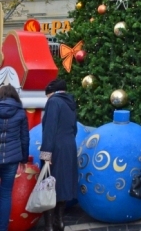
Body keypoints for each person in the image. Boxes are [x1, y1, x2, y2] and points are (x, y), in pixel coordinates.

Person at [39, 78, 77, 231]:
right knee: (63, 184)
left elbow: (49, 129)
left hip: (55, 148)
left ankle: (48, 225)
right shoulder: (70, 103)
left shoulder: (54, 102)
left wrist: (46, 153)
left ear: (51, 93)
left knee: (48, 184)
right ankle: (60, 222)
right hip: (69, 146)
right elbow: (74, 129)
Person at [0, 84, 29, 231]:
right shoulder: (20, 112)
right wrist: (24, 160)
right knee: (5, 194)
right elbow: (24, 138)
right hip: (11, 159)